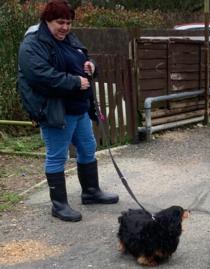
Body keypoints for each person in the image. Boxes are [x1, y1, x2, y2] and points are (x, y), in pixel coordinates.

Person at [17, 0, 118, 222]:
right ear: (47, 20)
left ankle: (91, 192)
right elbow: (39, 75)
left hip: (79, 108)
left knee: (88, 146)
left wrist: (91, 65)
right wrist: (74, 82)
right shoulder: (33, 43)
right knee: (57, 155)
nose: (65, 27)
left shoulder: (68, 38)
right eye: (60, 22)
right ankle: (59, 205)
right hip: (55, 110)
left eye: (69, 23)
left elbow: (80, 58)